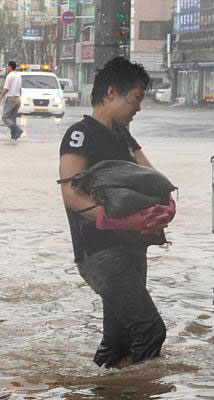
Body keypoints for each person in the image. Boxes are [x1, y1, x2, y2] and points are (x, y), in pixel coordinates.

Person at [58, 57, 177, 368]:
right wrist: (115, 218)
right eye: (135, 98)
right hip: (100, 252)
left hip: (132, 248)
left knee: (118, 341)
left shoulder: (124, 136)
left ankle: (102, 394)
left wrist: (167, 205)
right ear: (112, 92)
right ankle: (138, 397)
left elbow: (152, 178)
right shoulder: (80, 134)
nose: (138, 108)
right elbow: (71, 193)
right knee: (150, 329)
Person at [0, 61, 23, 140]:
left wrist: (0, 97)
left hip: (11, 99)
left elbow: (6, 88)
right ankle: (14, 137)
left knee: (5, 117)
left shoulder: (9, 76)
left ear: (10, 67)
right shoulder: (19, 75)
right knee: (13, 118)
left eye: (7, 67)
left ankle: (18, 130)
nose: (7, 68)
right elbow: (20, 88)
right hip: (18, 99)